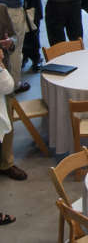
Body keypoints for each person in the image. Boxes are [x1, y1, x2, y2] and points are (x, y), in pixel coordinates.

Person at [0, 13, 28, 182]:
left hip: (3, 78)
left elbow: (14, 39)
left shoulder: (2, 9)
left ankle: (6, 163)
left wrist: (10, 43)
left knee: (7, 123)